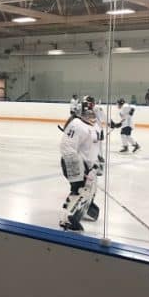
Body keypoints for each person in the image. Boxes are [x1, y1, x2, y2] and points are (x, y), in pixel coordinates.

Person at [58, 98, 100, 231]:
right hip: (74, 162)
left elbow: (94, 146)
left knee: (91, 189)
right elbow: (66, 147)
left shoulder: (95, 125)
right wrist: (79, 166)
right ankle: (67, 219)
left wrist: (97, 161)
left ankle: (84, 208)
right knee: (81, 189)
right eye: (87, 112)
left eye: (91, 112)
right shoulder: (76, 124)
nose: (90, 115)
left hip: (88, 165)